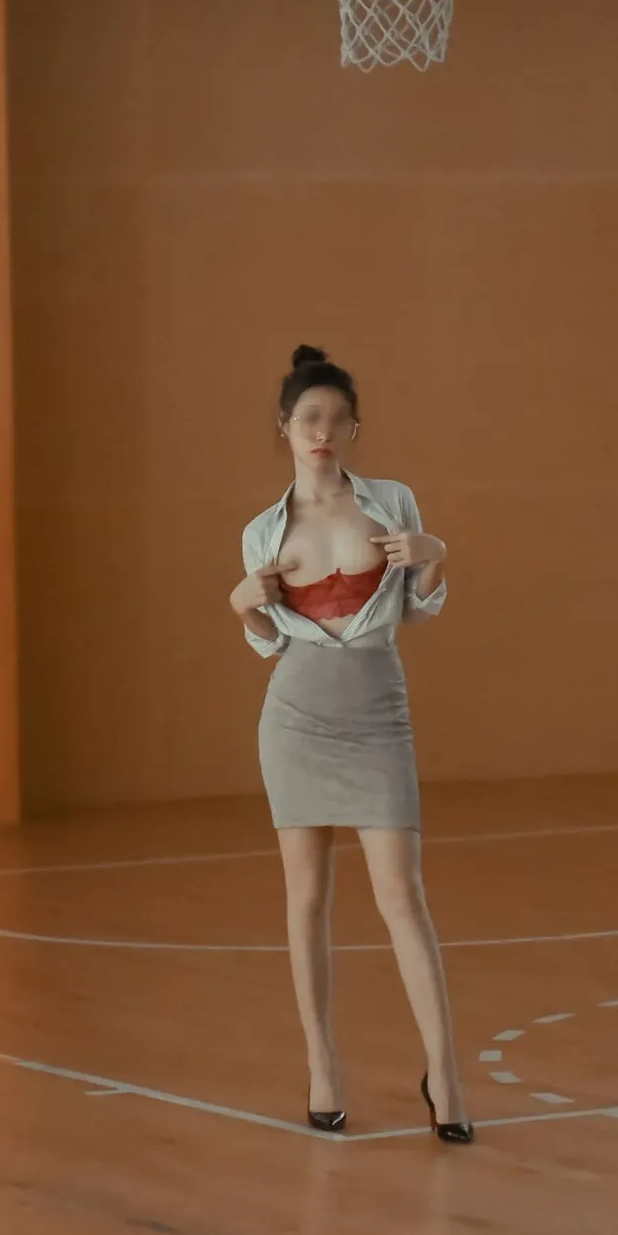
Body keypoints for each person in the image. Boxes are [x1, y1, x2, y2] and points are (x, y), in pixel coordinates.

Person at [230, 346, 471, 1144]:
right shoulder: (262, 532)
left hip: (377, 713)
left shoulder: (392, 502)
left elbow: (420, 610)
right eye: (309, 418)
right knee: (306, 898)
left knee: (402, 895)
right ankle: (322, 1066)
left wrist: (435, 557)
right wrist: (243, 605)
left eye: (336, 418)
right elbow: (269, 642)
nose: (322, 431)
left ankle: (445, 1073)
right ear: (285, 427)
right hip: (296, 718)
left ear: (354, 428)